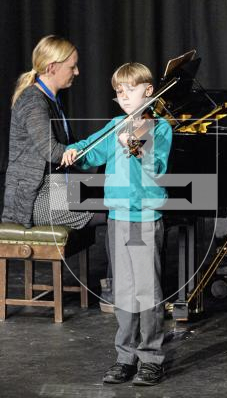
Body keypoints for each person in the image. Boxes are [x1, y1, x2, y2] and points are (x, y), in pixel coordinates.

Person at [61, 62, 173, 386]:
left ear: (149, 91)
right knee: (123, 292)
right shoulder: (116, 125)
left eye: (131, 89)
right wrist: (74, 151)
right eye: (119, 91)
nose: (124, 96)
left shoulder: (159, 128)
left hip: (145, 219)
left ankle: (151, 359)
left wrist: (134, 145)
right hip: (118, 219)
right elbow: (90, 151)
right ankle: (126, 357)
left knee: (147, 291)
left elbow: (159, 165)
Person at [1, 34, 103, 229]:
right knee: (111, 208)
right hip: (37, 199)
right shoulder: (33, 100)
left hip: (59, 186)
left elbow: (71, 146)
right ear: (51, 68)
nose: (77, 72)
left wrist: (105, 149)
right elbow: (53, 151)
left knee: (119, 196)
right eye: (72, 67)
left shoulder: (53, 100)